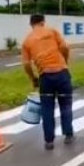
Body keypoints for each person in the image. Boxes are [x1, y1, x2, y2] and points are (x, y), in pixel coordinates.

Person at [21, 14, 74, 150]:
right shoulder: (52, 31)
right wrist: (65, 62)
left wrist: (33, 79)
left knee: (47, 109)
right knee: (66, 105)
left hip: (45, 77)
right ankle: (68, 134)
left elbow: (26, 64)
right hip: (62, 73)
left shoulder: (27, 41)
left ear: (31, 24)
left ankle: (49, 141)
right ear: (43, 22)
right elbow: (65, 47)